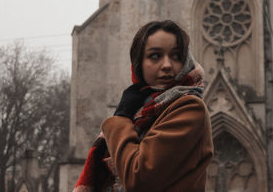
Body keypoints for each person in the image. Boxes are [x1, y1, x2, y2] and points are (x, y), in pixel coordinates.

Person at [74, 20, 213, 192]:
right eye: (155, 56)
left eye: (176, 56)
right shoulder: (142, 110)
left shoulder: (190, 107)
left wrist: (121, 118)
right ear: (138, 63)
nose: (167, 65)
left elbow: (137, 177)